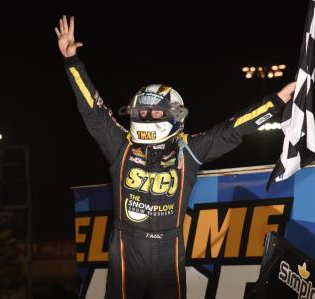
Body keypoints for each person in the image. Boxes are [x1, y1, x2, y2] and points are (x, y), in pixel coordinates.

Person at [55, 15, 295, 299]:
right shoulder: (121, 145)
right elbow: (92, 110)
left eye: (155, 112)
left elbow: (231, 130)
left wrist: (276, 101)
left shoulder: (188, 150)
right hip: (125, 248)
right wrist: (72, 62)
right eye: (143, 111)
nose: (147, 116)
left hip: (169, 250)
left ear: (174, 115)